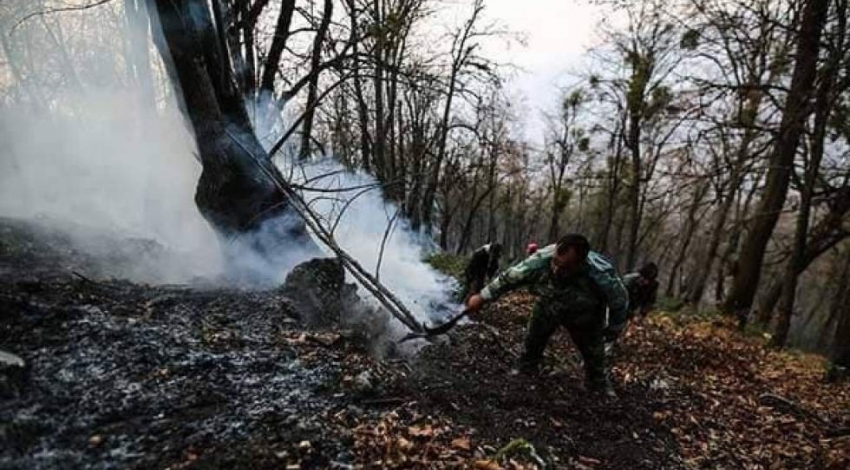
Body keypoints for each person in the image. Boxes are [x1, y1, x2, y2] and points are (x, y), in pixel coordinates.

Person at [465, 234, 628, 397]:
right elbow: (511, 277)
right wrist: (482, 296)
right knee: (533, 341)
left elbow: (620, 302)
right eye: (555, 262)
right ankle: (525, 370)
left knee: (595, 358)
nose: (556, 270)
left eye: (564, 267)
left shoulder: (601, 274)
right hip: (549, 305)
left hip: (585, 315)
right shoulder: (542, 259)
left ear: (580, 264)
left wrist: (613, 329)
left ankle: (598, 387)